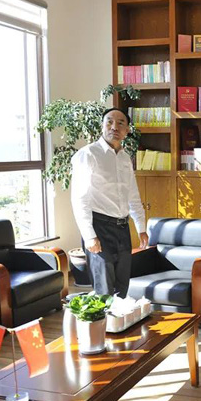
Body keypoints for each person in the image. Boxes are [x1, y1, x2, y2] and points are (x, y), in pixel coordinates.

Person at [71, 108, 148, 296]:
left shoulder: (125, 157)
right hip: (99, 227)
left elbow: (133, 195)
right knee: (104, 290)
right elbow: (80, 198)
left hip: (122, 229)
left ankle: (120, 317)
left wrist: (141, 228)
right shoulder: (88, 154)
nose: (115, 127)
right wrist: (89, 236)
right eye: (110, 122)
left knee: (122, 288)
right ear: (102, 125)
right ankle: (103, 317)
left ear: (127, 130)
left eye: (121, 123)